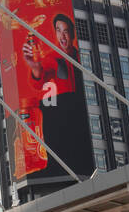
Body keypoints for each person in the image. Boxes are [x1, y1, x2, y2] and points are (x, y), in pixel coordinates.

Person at [21, 14, 96, 179]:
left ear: (73, 34)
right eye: (59, 31)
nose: (62, 36)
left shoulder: (81, 56)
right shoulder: (52, 57)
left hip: (81, 111)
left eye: (66, 31)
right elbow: (39, 79)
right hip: (59, 112)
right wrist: (35, 68)